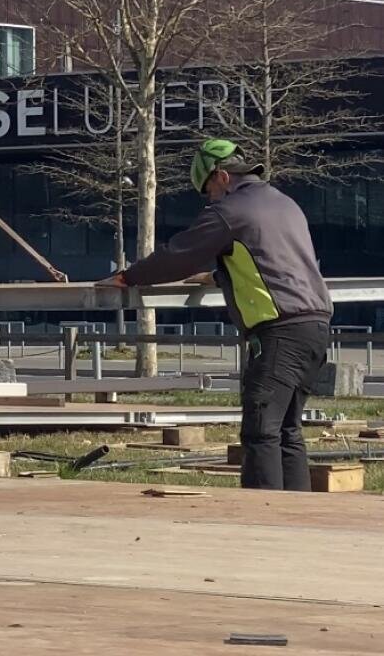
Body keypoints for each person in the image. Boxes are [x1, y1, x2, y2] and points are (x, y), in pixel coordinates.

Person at [100, 139, 331, 491]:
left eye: (208, 190)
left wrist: (126, 277)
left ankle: (263, 519)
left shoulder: (230, 211)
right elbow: (273, 263)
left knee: (260, 430)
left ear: (222, 176)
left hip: (279, 331)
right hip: (314, 324)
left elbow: (179, 256)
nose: (209, 199)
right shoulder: (285, 204)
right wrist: (219, 275)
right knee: (287, 430)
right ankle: (297, 521)